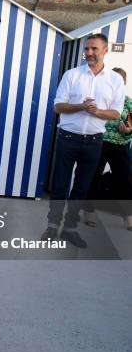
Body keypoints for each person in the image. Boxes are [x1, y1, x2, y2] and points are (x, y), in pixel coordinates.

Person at [42, 34, 126, 248]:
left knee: (81, 188)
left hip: (94, 142)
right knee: (60, 185)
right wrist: (81, 106)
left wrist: (95, 111)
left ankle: (70, 229)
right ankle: (52, 226)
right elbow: (58, 106)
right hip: (68, 139)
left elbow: (116, 113)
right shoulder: (72, 75)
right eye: (87, 49)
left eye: (94, 49)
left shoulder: (115, 80)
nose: (88, 53)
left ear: (105, 50)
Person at [85, 67, 132, 231]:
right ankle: (89, 211)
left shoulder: (128, 102)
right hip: (100, 142)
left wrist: (128, 130)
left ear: (124, 82)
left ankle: (128, 216)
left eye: (120, 80)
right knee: (94, 176)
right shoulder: (101, 100)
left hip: (121, 145)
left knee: (125, 180)